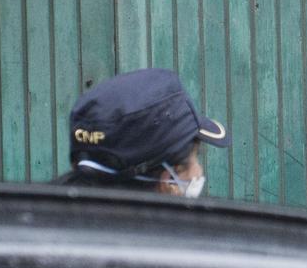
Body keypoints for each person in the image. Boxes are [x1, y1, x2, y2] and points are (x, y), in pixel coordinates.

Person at [54, 67, 227, 196]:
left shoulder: (37, 220)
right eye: (196, 156)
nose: (199, 171)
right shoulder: (173, 242)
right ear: (170, 181)